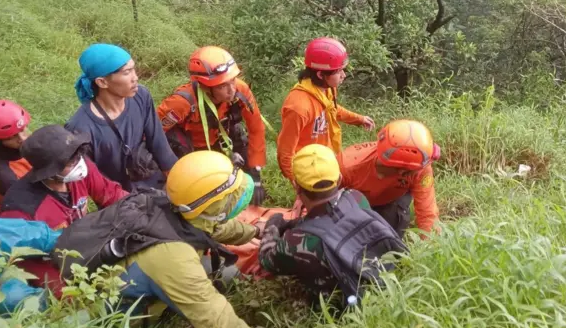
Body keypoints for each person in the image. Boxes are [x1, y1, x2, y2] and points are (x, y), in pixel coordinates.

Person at [50, 150, 292, 328]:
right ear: (212, 206)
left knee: (226, 272)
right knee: (214, 302)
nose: (239, 196)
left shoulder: (171, 203)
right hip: (112, 320)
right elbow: (222, 327)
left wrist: (256, 230)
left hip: (142, 270)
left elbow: (211, 226)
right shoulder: (174, 259)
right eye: (232, 195)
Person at [259, 144, 406, 305]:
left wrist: (273, 224)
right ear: (339, 179)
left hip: (340, 311)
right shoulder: (356, 198)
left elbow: (267, 260)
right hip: (385, 285)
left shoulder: (294, 242)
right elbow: (331, 217)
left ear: (296, 187)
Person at [0, 125, 128, 297]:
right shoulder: (20, 210)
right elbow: (25, 261)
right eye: (70, 163)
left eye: (79, 157)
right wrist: (66, 292)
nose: (79, 164)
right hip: (53, 264)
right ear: (49, 172)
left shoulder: (81, 169)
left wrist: (140, 206)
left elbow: (112, 195)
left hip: (86, 243)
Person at [156, 46, 268, 205]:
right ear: (205, 87)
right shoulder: (181, 103)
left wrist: (255, 174)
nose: (231, 90)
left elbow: (256, 129)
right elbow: (152, 133)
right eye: (222, 86)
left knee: (240, 142)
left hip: (221, 139)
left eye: (232, 81)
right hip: (190, 150)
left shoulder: (240, 90)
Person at [66, 43, 178, 191]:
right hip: (121, 202)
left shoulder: (141, 96)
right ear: (102, 82)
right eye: (127, 72)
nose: (135, 78)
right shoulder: (80, 128)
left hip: (153, 180)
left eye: (134, 69)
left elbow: (159, 145)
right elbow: (90, 183)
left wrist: (178, 181)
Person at [276, 37, 375, 182]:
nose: (344, 75)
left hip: (326, 157)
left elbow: (332, 109)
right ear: (320, 74)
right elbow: (285, 152)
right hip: (308, 168)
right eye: (339, 71)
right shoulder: (298, 107)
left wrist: (358, 119)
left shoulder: (327, 88)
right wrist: (298, 184)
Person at [338, 119, 441, 238]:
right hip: (352, 201)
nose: (411, 173)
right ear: (402, 170)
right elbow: (321, 203)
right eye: (409, 171)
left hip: (392, 199)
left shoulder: (420, 168)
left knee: (390, 237)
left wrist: (432, 250)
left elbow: (427, 214)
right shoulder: (347, 166)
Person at [0, 99, 33, 214]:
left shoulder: (20, 147)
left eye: (22, 130)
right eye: (11, 137)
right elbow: (29, 205)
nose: (22, 138)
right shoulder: (4, 174)